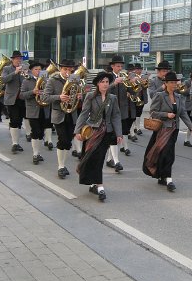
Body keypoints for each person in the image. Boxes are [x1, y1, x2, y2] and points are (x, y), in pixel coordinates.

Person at [74, 71, 123, 201]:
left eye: (107, 82)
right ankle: (92, 182)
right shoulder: (90, 96)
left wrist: (119, 133)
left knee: (99, 159)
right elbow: (84, 114)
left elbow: (116, 116)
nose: (105, 84)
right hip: (92, 132)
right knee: (90, 158)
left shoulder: (112, 98)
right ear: (97, 83)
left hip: (106, 133)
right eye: (102, 82)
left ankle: (100, 186)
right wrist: (77, 131)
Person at [143, 71, 192, 191]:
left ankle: (163, 176)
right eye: (171, 82)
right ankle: (168, 179)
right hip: (163, 129)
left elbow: (183, 113)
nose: (174, 84)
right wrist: (167, 114)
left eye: (175, 82)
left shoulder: (179, 97)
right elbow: (153, 112)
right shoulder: (160, 95)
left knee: (168, 153)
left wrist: (191, 126)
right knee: (165, 153)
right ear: (165, 83)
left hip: (174, 129)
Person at [42, 59, 78, 179]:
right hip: (59, 114)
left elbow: (79, 96)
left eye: (69, 69)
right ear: (60, 69)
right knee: (62, 139)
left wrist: (79, 95)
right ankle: (60, 166)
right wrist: (59, 97)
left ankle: (64, 164)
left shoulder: (75, 79)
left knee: (68, 141)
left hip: (71, 114)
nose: (67, 71)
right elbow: (44, 97)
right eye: (65, 69)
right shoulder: (53, 80)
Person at [20, 61, 51, 165]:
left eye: (39, 69)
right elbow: (22, 95)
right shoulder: (27, 81)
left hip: (44, 108)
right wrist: (32, 92)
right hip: (33, 110)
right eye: (36, 69)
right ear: (31, 71)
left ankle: (38, 153)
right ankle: (35, 154)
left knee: (41, 132)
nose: (38, 71)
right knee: (35, 131)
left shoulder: (47, 81)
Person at [2, 51, 27, 153]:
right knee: (14, 120)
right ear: (12, 60)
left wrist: (25, 74)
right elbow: (4, 79)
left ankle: (17, 142)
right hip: (12, 99)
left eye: (20, 59)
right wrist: (15, 72)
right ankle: (14, 143)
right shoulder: (7, 68)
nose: (18, 60)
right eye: (17, 59)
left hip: (22, 98)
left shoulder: (24, 69)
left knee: (19, 121)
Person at [129, 62, 148, 138]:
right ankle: (133, 128)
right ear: (134, 70)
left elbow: (146, 87)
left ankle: (138, 127)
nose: (139, 71)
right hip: (134, 97)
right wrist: (137, 81)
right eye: (137, 69)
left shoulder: (144, 76)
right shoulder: (131, 75)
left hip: (142, 97)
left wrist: (144, 83)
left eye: (140, 69)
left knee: (139, 113)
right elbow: (131, 85)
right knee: (134, 113)